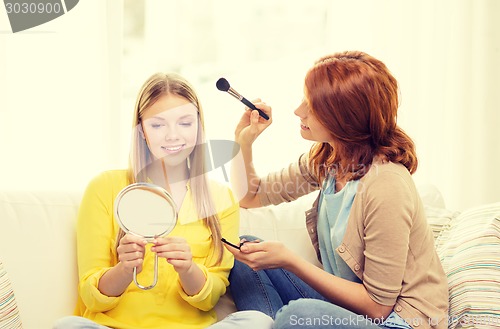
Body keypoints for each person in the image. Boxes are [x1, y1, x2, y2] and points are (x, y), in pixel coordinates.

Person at [225, 51, 449, 329]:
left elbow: (378, 307)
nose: (298, 111)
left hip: (398, 321)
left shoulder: (387, 185)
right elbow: (251, 196)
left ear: (345, 117)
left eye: (312, 105)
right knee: (248, 252)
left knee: (300, 316)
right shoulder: (327, 160)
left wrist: (291, 261)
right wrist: (242, 142)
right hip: (347, 312)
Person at [53, 73, 273, 329]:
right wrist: (123, 270)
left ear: (199, 126)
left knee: (257, 321)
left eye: (185, 123)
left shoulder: (221, 199)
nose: (172, 136)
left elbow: (211, 297)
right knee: (67, 325)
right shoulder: (104, 187)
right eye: (157, 125)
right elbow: (91, 296)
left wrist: (188, 269)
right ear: (142, 131)